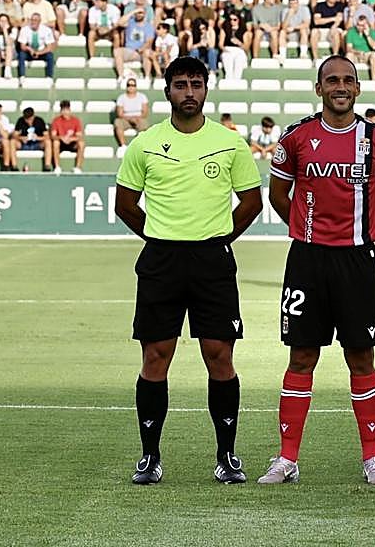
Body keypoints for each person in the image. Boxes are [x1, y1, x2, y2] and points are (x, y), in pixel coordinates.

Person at [114, 56, 264, 485]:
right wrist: (160, 235)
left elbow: (251, 202)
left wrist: (217, 238)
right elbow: (125, 204)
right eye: (180, 84)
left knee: (219, 356)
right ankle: (149, 456)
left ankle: (227, 455)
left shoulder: (229, 142)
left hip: (212, 262)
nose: (189, 92)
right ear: (167, 92)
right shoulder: (145, 143)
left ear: (206, 89)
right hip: (161, 261)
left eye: (196, 84)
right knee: (155, 357)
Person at [257, 55, 375, 487]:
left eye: (348, 80)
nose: (340, 86)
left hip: (357, 261)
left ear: (357, 89)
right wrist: (308, 229)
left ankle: (372, 458)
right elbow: (278, 195)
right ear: (319, 88)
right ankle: (287, 458)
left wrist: (365, 230)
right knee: (301, 355)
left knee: (361, 355)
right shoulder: (296, 138)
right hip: (307, 260)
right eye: (332, 80)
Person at [50, 100, 85, 173]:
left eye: (66, 110)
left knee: (81, 143)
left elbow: (79, 136)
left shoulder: (76, 120)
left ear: (69, 110)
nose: (65, 112)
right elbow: (53, 136)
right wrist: (61, 138)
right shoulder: (56, 120)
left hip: (72, 143)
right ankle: (57, 167)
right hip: (61, 143)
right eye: (63, 110)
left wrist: (71, 139)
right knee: (55, 143)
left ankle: (78, 167)